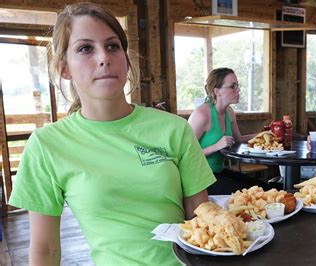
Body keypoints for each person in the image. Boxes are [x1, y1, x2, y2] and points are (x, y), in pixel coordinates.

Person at [8, 3, 215, 265]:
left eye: (112, 46)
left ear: (126, 60)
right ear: (64, 68)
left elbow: (203, 221)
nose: (104, 57)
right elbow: (45, 249)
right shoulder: (47, 145)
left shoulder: (174, 129)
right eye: (85, 49)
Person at [188, 67, 269, 194]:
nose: (238, 89)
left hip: (218, 172)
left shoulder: (229, 113)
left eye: (237, 85)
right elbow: (186, 155)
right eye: (233, 86)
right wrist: (216, 146)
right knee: (251, 194)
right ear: (217, 91)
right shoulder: (201, 115)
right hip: (199, 179)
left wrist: (263, 134)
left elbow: (239, 139)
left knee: (266, 188)